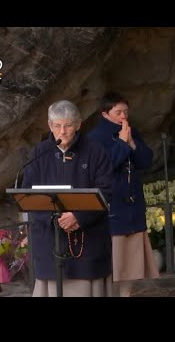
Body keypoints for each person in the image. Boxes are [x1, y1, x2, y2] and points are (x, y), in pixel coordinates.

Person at [22, 100, 114, 297]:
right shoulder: (39, 153)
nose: (62, 131)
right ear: (50, 126)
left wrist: (79, 217)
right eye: (57, 126)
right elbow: (27, 194)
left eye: (68, 125)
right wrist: (55, 218)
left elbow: (107, 191)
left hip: (88, 243)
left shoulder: (95, 151)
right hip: (49, 241)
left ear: (79, 124)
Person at [87, 91, 159, 297]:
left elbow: (145, 161)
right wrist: (120, 143)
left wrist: (132, 144)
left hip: (132, 205)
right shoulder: (94, 138)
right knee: (114, 259)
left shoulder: (131, 132)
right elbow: (104, 167)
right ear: (105, 114)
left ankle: (126, 294)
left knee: (130, 261)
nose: (123, 117)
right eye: (118, 112)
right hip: (113, 205)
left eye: (126, 112)